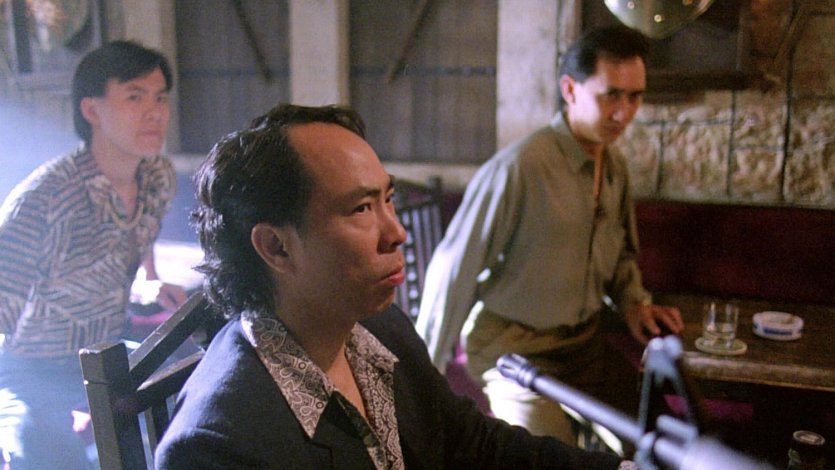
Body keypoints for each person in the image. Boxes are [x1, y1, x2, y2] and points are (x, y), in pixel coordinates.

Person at [154, 103, 634, 469]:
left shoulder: (378, 328)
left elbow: (469, 441)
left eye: (388, 199)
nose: (397, 232)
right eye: (361, 209)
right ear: (276, 247)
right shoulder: (217, 445)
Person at [415, 26, 685, 444]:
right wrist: (419, 383)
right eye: (611, 95)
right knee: (549, 456)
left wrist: (635, 304)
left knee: (659, 439)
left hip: (584, 347)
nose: (624, 113)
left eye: (634, 97)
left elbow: (621, 257)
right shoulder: (519, 168)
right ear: (570, 90)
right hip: (511, 352)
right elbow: (453, 271)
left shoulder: (615, 167)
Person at [0, 40, 187, 469]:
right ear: (91, 110)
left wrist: (148, 284)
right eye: (135, 97)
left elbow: (132, 250)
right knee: (42, 451)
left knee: (200, 387)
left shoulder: (157, 176)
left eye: (160, 98)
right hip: (32, 364)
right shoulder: (46, 199)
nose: (155, 112)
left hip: (109, 348)